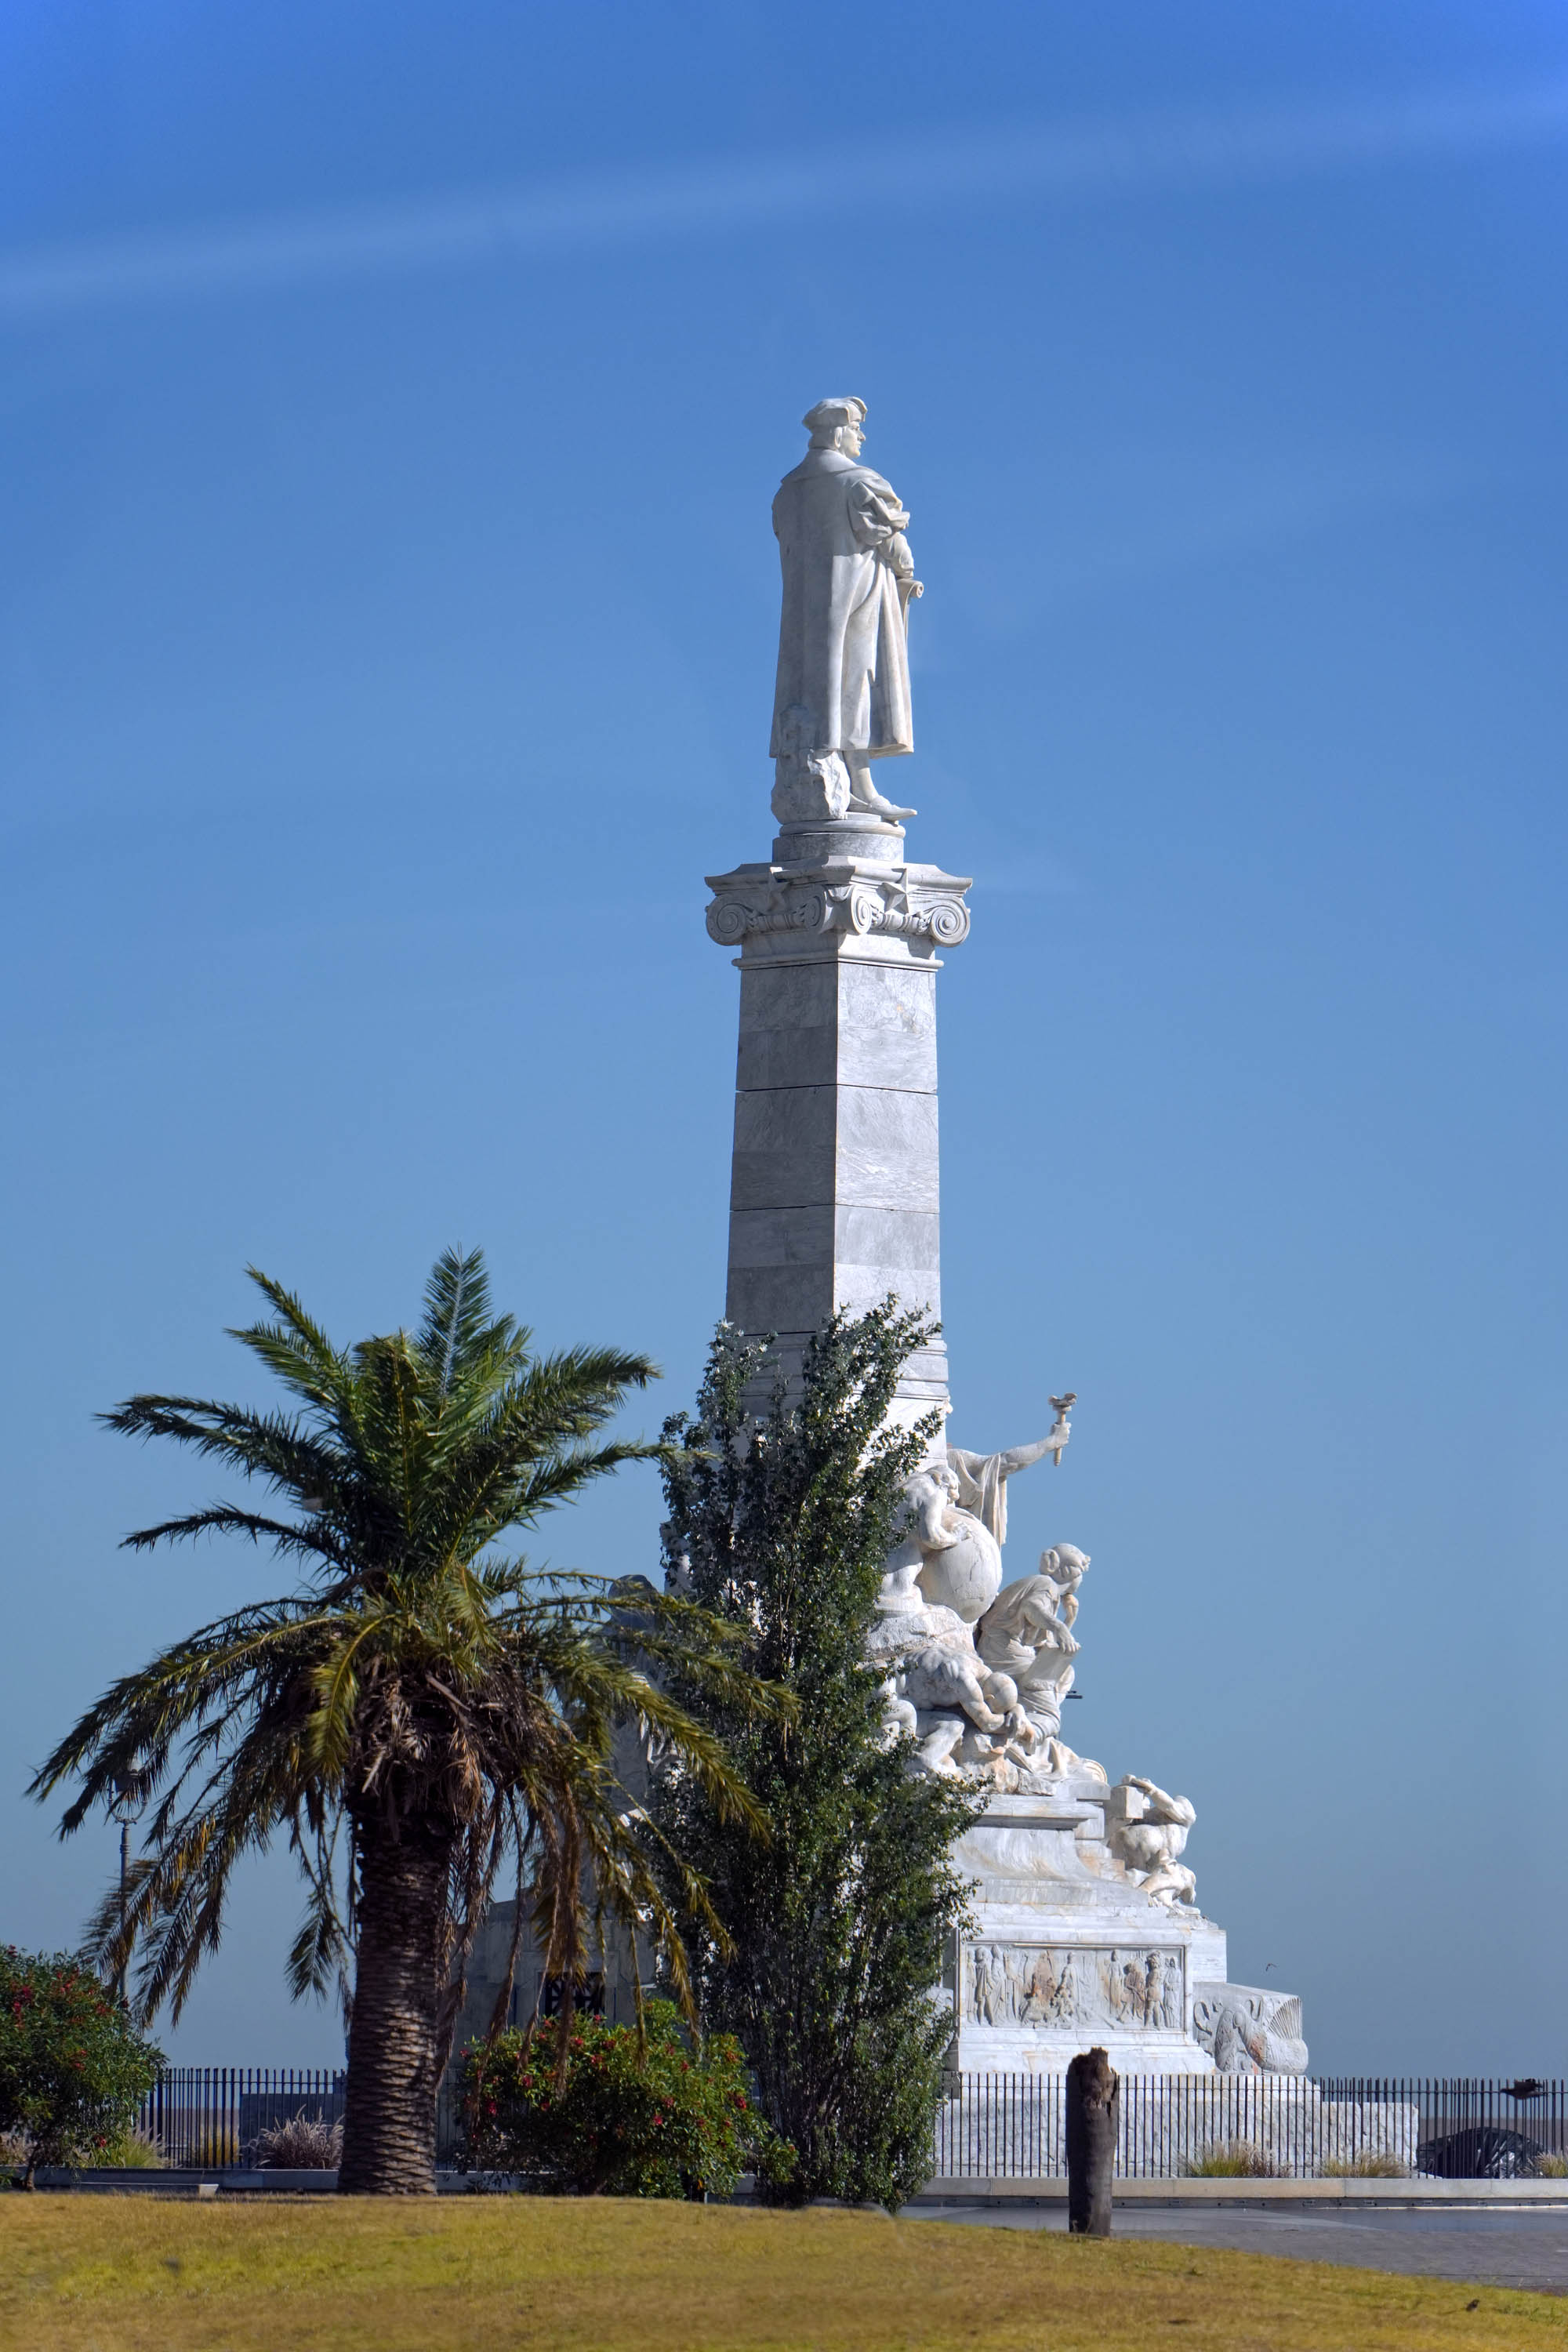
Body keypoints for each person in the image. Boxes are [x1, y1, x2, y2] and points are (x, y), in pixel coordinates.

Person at [771, 397, 922, 820]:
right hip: (857, 600)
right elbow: (895, 547)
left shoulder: (788, 492)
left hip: (805, 618)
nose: (862, 435)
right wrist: (906, 571)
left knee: (818, 692)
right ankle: (860, 785)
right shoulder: (858, 483)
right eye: (856, 427)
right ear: (839, 432)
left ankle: (836, 779)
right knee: (854, 685)